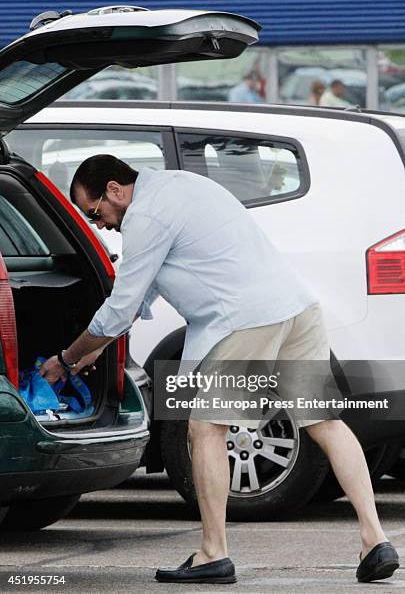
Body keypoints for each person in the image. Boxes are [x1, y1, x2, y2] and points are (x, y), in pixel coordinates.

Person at [40, 155, 399, 585]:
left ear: (115, 190)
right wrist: (97, 349)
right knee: (323, 422)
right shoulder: (182, 186)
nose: (98, 224)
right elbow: (147, 288)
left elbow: (122, 305)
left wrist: (67, 357)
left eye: (94, 212)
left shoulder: (146, 216)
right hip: (296, 309)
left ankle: (213, 552)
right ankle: (375, 539)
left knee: (207, 427)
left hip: (245, 320)